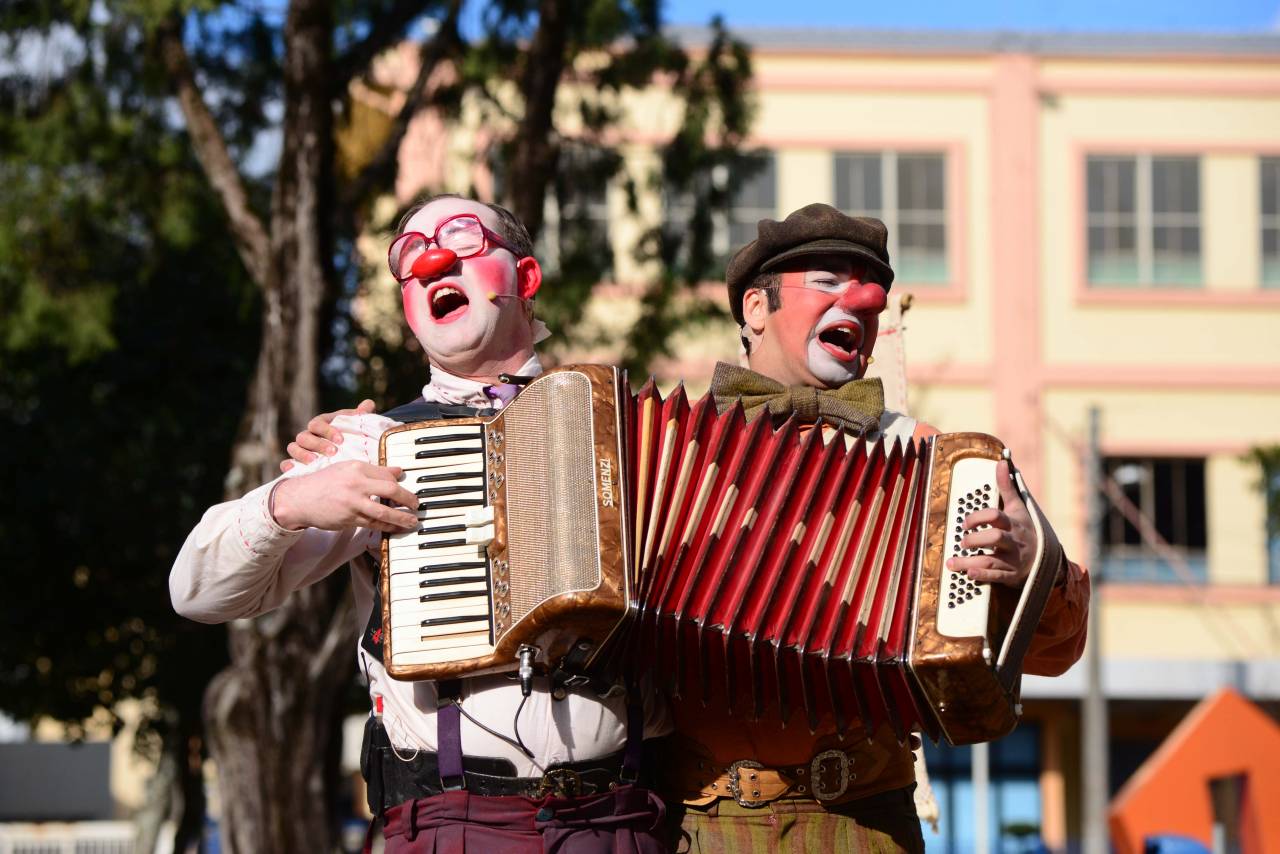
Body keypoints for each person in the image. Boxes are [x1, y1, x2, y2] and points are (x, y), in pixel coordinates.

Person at [286, 203, 1091, 853]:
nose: (866, 301)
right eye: (831, 280)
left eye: (874, 289)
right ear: (755, 307)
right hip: (703, 827)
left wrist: (1036, 570)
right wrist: (361, 446)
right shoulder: (648, 450)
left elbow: (1052, 650)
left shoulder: (927, 465)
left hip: (868, 824)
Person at [170, 195, 670, 853]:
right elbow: (196, 591)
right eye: (411, 256)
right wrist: (290, 504)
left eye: (462, 240)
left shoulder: (636, 439)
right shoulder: (371, 446)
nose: (433, 260)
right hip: (458, 824)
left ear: (525, 280)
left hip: (626, 821)